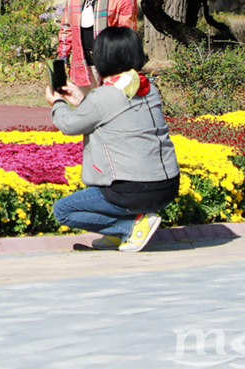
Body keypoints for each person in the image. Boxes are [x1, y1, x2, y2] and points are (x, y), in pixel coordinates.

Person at [46, 26, 178, 253]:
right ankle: (124, 232)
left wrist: (57, 103)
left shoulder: (104, 96)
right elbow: (114, 111)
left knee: (64, 211)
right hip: (167, 186)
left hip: (131, 190)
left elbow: (69, 125)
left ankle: (127, 228)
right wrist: (84, 101)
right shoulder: (146, 87)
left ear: (103, 58)